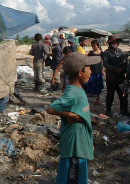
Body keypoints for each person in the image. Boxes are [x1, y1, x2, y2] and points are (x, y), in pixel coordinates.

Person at [47, 52, 100, 184]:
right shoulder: (72, 92)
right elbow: (51, 108)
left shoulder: (78, 89)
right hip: (74, 147)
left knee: (75, 177)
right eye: (89, 68)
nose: (91, 71)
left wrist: (88, 143)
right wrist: (73, 115)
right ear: (80, 72)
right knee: (72, 178)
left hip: (80, 144)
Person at [103, 35, 130, 116]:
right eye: (114, 43)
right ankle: (108, 111)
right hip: (111, 79)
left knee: (123, 95)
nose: (115, 44)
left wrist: (122, 69)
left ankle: (124, 110)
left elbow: (125, 62)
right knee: (110, 96)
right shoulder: (106, 53)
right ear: (110, 43)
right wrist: (115, 69)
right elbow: (106, 64)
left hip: (120, 78)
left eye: (116, 42)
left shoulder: (121, 52)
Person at [86, 40, 104, 105]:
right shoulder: (91, 53)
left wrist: (103, 70)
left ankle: (97, 99)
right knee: (90, 85)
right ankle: (87, 100)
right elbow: (87, 61)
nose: (93, 47)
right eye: (92, 46)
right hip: (92, 71)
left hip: (99, 71)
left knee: (98, 86)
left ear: (98, 46)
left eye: (94, 46)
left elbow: (103, 62)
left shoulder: (101, 53)